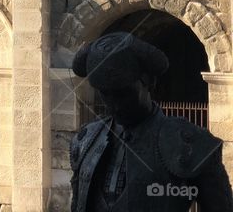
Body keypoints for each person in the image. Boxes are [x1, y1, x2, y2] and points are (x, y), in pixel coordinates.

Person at [70, 32, 232, 210]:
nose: (114, 105)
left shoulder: (195, 145)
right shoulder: (86, 140)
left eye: (123, 93)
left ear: (149, 82)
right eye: (105, 94)